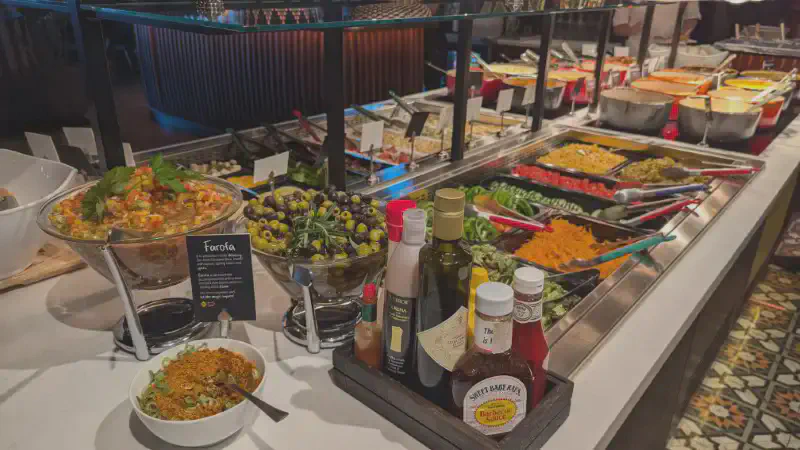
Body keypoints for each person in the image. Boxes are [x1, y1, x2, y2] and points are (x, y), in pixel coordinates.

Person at [613, 2, 701, 58]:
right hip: (638, 53)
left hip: (673, 52)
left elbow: (691, 17)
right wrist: (632, 30)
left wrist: (681, 37)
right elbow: (618, 28)